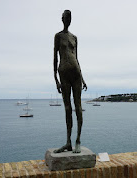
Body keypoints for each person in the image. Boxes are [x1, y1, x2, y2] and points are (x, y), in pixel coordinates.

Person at [53, 10, 87, 153]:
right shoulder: (58, 36)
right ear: (62, 19)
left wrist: (83, 78)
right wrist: (55, 79)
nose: (68, 19)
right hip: (63, 73)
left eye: (69, 18)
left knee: (78, 107)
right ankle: (68, 142)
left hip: (76, 74)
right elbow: (55, 57)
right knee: (68, 108)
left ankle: (78, 140)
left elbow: (77, 58)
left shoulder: (74, 38)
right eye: (66, 17)